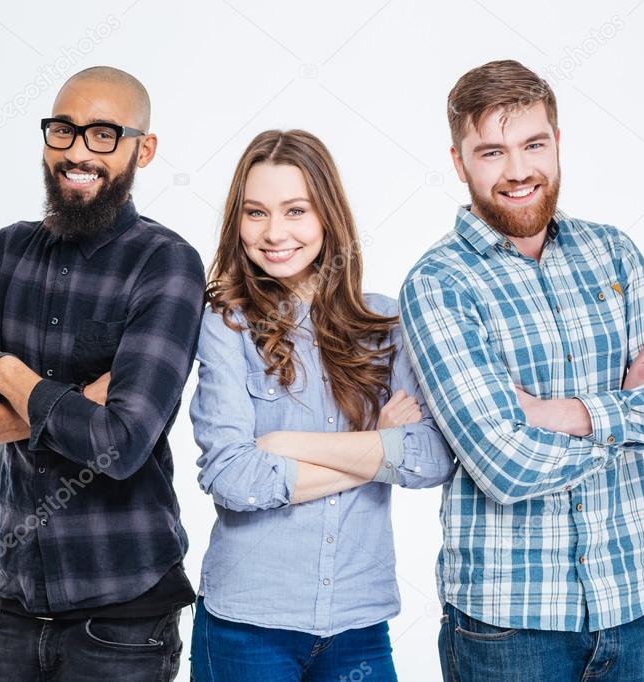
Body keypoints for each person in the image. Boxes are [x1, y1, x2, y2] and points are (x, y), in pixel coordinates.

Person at [399, 59, 644, 681]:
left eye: (533, 145)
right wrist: (625, 412)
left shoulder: (613, 253)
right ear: (459, 162)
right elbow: (504, 466)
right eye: (492, 152)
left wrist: (559, 414)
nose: (518, 171)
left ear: (557, 142)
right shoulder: (439, 284)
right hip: (509, 629)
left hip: (632, 607)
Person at [0, 66, 205, 681]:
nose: (78, 152)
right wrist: (78, 402)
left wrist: (5, 372)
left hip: (123, 620)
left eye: (104, 134)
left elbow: (121, 445)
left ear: (143, 149)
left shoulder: (167, 264)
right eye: (64, 131)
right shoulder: (6, 252)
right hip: (15, 608)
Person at [189, 129, 454, 681]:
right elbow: (233, 477)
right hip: (247, 622)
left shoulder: (388, 326)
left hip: (359, 623)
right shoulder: (227, 323)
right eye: (256, 212)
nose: (275, 232)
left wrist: (283, 446)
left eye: (295, 210)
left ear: (327, 216)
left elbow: (431, 459)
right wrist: (378, 449)